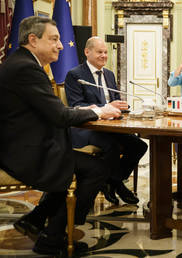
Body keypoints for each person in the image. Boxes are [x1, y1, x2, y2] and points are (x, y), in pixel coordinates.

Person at [0, 16, 121, 255]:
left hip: (25, 144)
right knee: (97, 169)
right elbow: (59, 116)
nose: (61, 45)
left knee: (82, 164)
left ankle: (36, 220)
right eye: (54, 39)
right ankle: (52, 238)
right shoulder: (26, 68)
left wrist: (92, 111)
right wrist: (98, 111)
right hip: (22, 153)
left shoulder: (23, 63)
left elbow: (52, 111)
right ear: (33, 40)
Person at [65, 36, 147, 205]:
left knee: (139, 145)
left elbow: (115, 99)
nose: (104, 56)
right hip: (87, 128)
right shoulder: (75, 75)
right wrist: (106, 106)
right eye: (99, 52)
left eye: (105, 52)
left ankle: (111, 181)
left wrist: (122, 107)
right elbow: (77, 106)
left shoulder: (109, 74)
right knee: (112, 146)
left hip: (110, 127)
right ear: (87, 52)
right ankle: (118, 185)